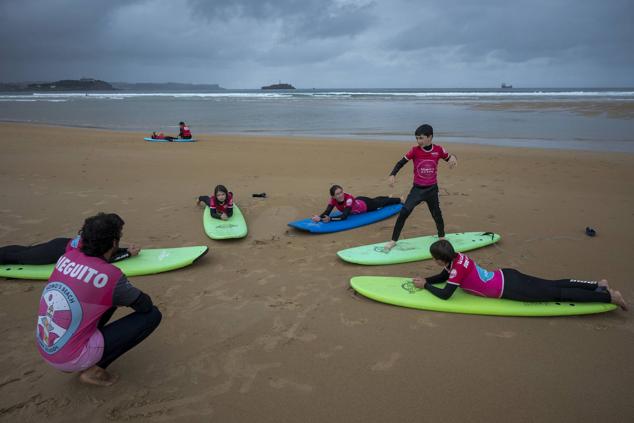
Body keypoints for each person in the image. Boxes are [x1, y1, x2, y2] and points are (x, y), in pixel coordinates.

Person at [35, 213, 162, 386]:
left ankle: (85, 353)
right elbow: (144, 305)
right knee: (152, 315)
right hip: (69, 358)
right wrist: (125, 291)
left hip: (47, 348)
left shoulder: (66, 257)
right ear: (114, 243)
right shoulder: (110, 276)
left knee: (107, 300)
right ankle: (93, 369)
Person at [412, 239, 628, 310]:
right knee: (552, 284)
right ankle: (596, 284)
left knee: (557, 293)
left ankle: (609, 296)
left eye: (434, 258)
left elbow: (446, 294)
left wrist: (426, 287)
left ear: (441, 258)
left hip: (509, 288)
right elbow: (443, 276)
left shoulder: (456, 268)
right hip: (506, 275)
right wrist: (426, 279)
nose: (434, 261)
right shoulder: (457, 257)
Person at [384, 124, 457, 252]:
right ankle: (393, 241)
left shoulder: (438, 150)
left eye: (421, 138)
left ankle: (442, 237)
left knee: (436, 214)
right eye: (417, 138)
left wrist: (453, 159)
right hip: (417, 190)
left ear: (430, 137)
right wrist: (392, 174)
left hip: (432, 190)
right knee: (404, 212)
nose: (419, 141)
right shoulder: (415, 150)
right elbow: (401, 162)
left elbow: (449, 157)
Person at [0, 233, 139, 265]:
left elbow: (105, 251)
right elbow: (103, 260)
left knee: (26, 250)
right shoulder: (100, 246)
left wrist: (126, 249)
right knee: (20, 258)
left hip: (61, 243)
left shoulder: (100, 233)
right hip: (54, 252)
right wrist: (127, 253)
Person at [311, 185, 402, 223]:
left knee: (380, 204)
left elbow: (344, 216)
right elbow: (327, 211)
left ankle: (398, 199)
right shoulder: (333, 200)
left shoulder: (348, 200)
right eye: (337, 194)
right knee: (376, 200)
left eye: (341, 192)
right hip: (358, 200)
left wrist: (330, 219)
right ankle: (387, 196)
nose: (340, 195)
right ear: (333, 196)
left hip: (366, 205)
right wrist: (319, 217)